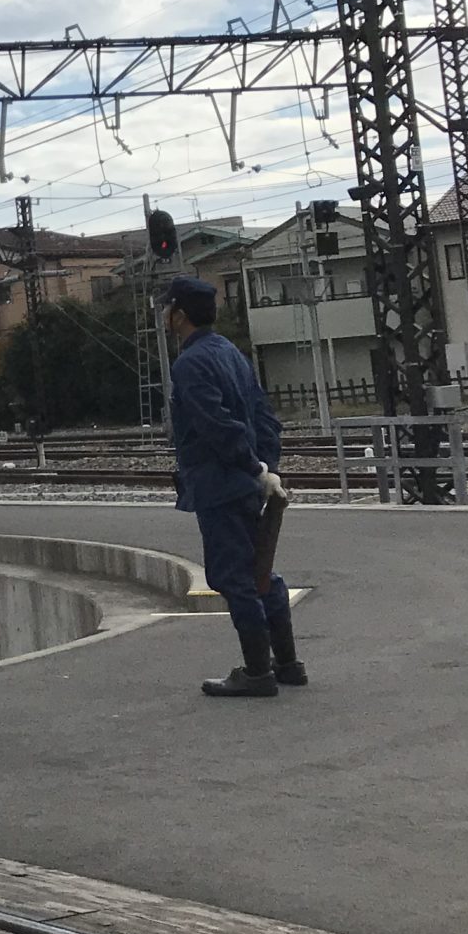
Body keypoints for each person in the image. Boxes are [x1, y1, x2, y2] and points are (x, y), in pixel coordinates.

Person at [161, 274, 303, 699]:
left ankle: (258, 672)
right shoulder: (231, 354)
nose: (165, 316)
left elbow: (216, 426)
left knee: (233, 575)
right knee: (260, 569)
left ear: (179, 315)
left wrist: (250, 467)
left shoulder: (189, 364)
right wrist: (266, 469)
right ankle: (288, 663)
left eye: (168, 309)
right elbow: (264, 418)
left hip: (218, 483)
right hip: (247, 482)